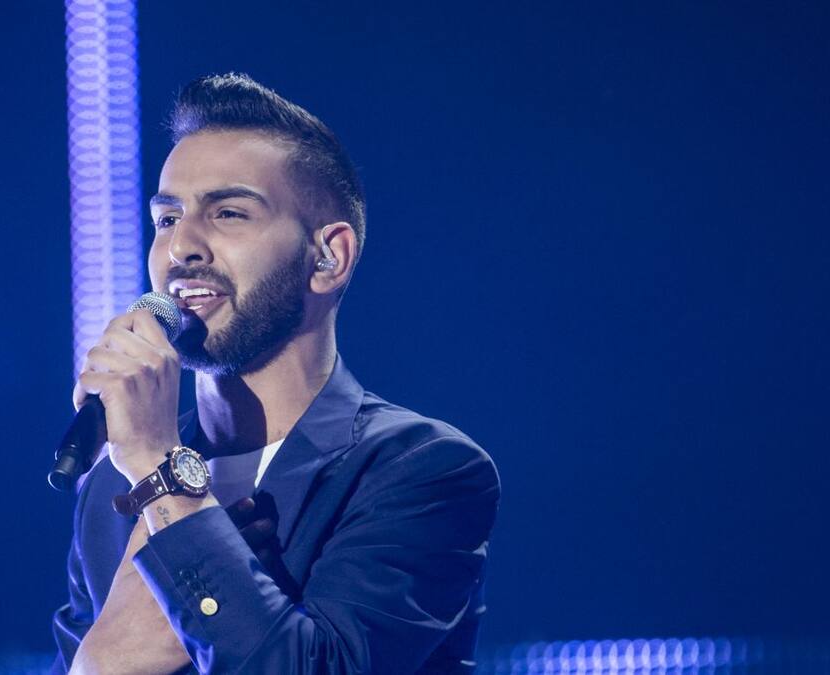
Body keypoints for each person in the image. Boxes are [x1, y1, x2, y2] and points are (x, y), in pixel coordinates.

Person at [51, 73, 500, 674]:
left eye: (229, 213)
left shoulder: (419, 469)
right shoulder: (112, 487)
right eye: (167, 219)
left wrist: (162, 471)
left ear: (329, 257)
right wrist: (100, 663)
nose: (182, 246)